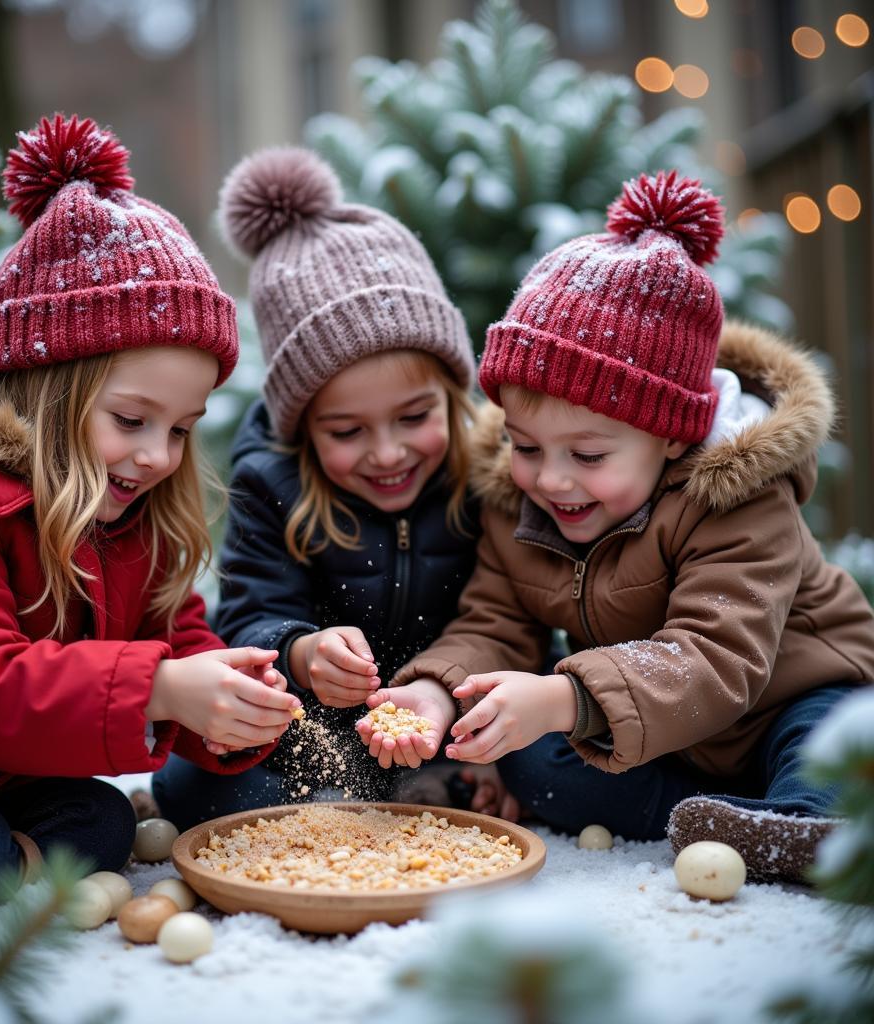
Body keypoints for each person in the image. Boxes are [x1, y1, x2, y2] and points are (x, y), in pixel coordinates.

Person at [0, 114, 301, 922]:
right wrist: (159, 689)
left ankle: (5, 855)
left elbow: (174, 626)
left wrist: (229, 699)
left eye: (182, 428)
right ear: (47, 389)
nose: (159, 455)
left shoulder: (125, 497)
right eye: (132, 420)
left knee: (96, 823)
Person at [365, 170, 874, 883]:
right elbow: (495, 624)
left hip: (791, 696)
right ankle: (721, 816)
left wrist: (569, 697)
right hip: (661, 736)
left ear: (671, 436)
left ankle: (806, 818)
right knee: (533, 759)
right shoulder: (521, 508)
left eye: (589, 454)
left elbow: (716, 656)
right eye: (527, 445)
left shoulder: (740, 503)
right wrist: (440, 691)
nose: (551, 479)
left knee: (838, 743)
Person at [152, 147, 482, 828]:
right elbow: (245, 614)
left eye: (415, 417)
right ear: (302, 428)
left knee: (546, 757)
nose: (387, 453)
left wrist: (463, 709)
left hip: (446, 719)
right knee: (192, 787)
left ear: (453, 396)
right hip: (314, 736)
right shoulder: (270, 483)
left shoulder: (486, 478)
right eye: (346, 431)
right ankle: (348, 798)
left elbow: (514, 618)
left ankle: (434, 779)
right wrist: (303, 650)